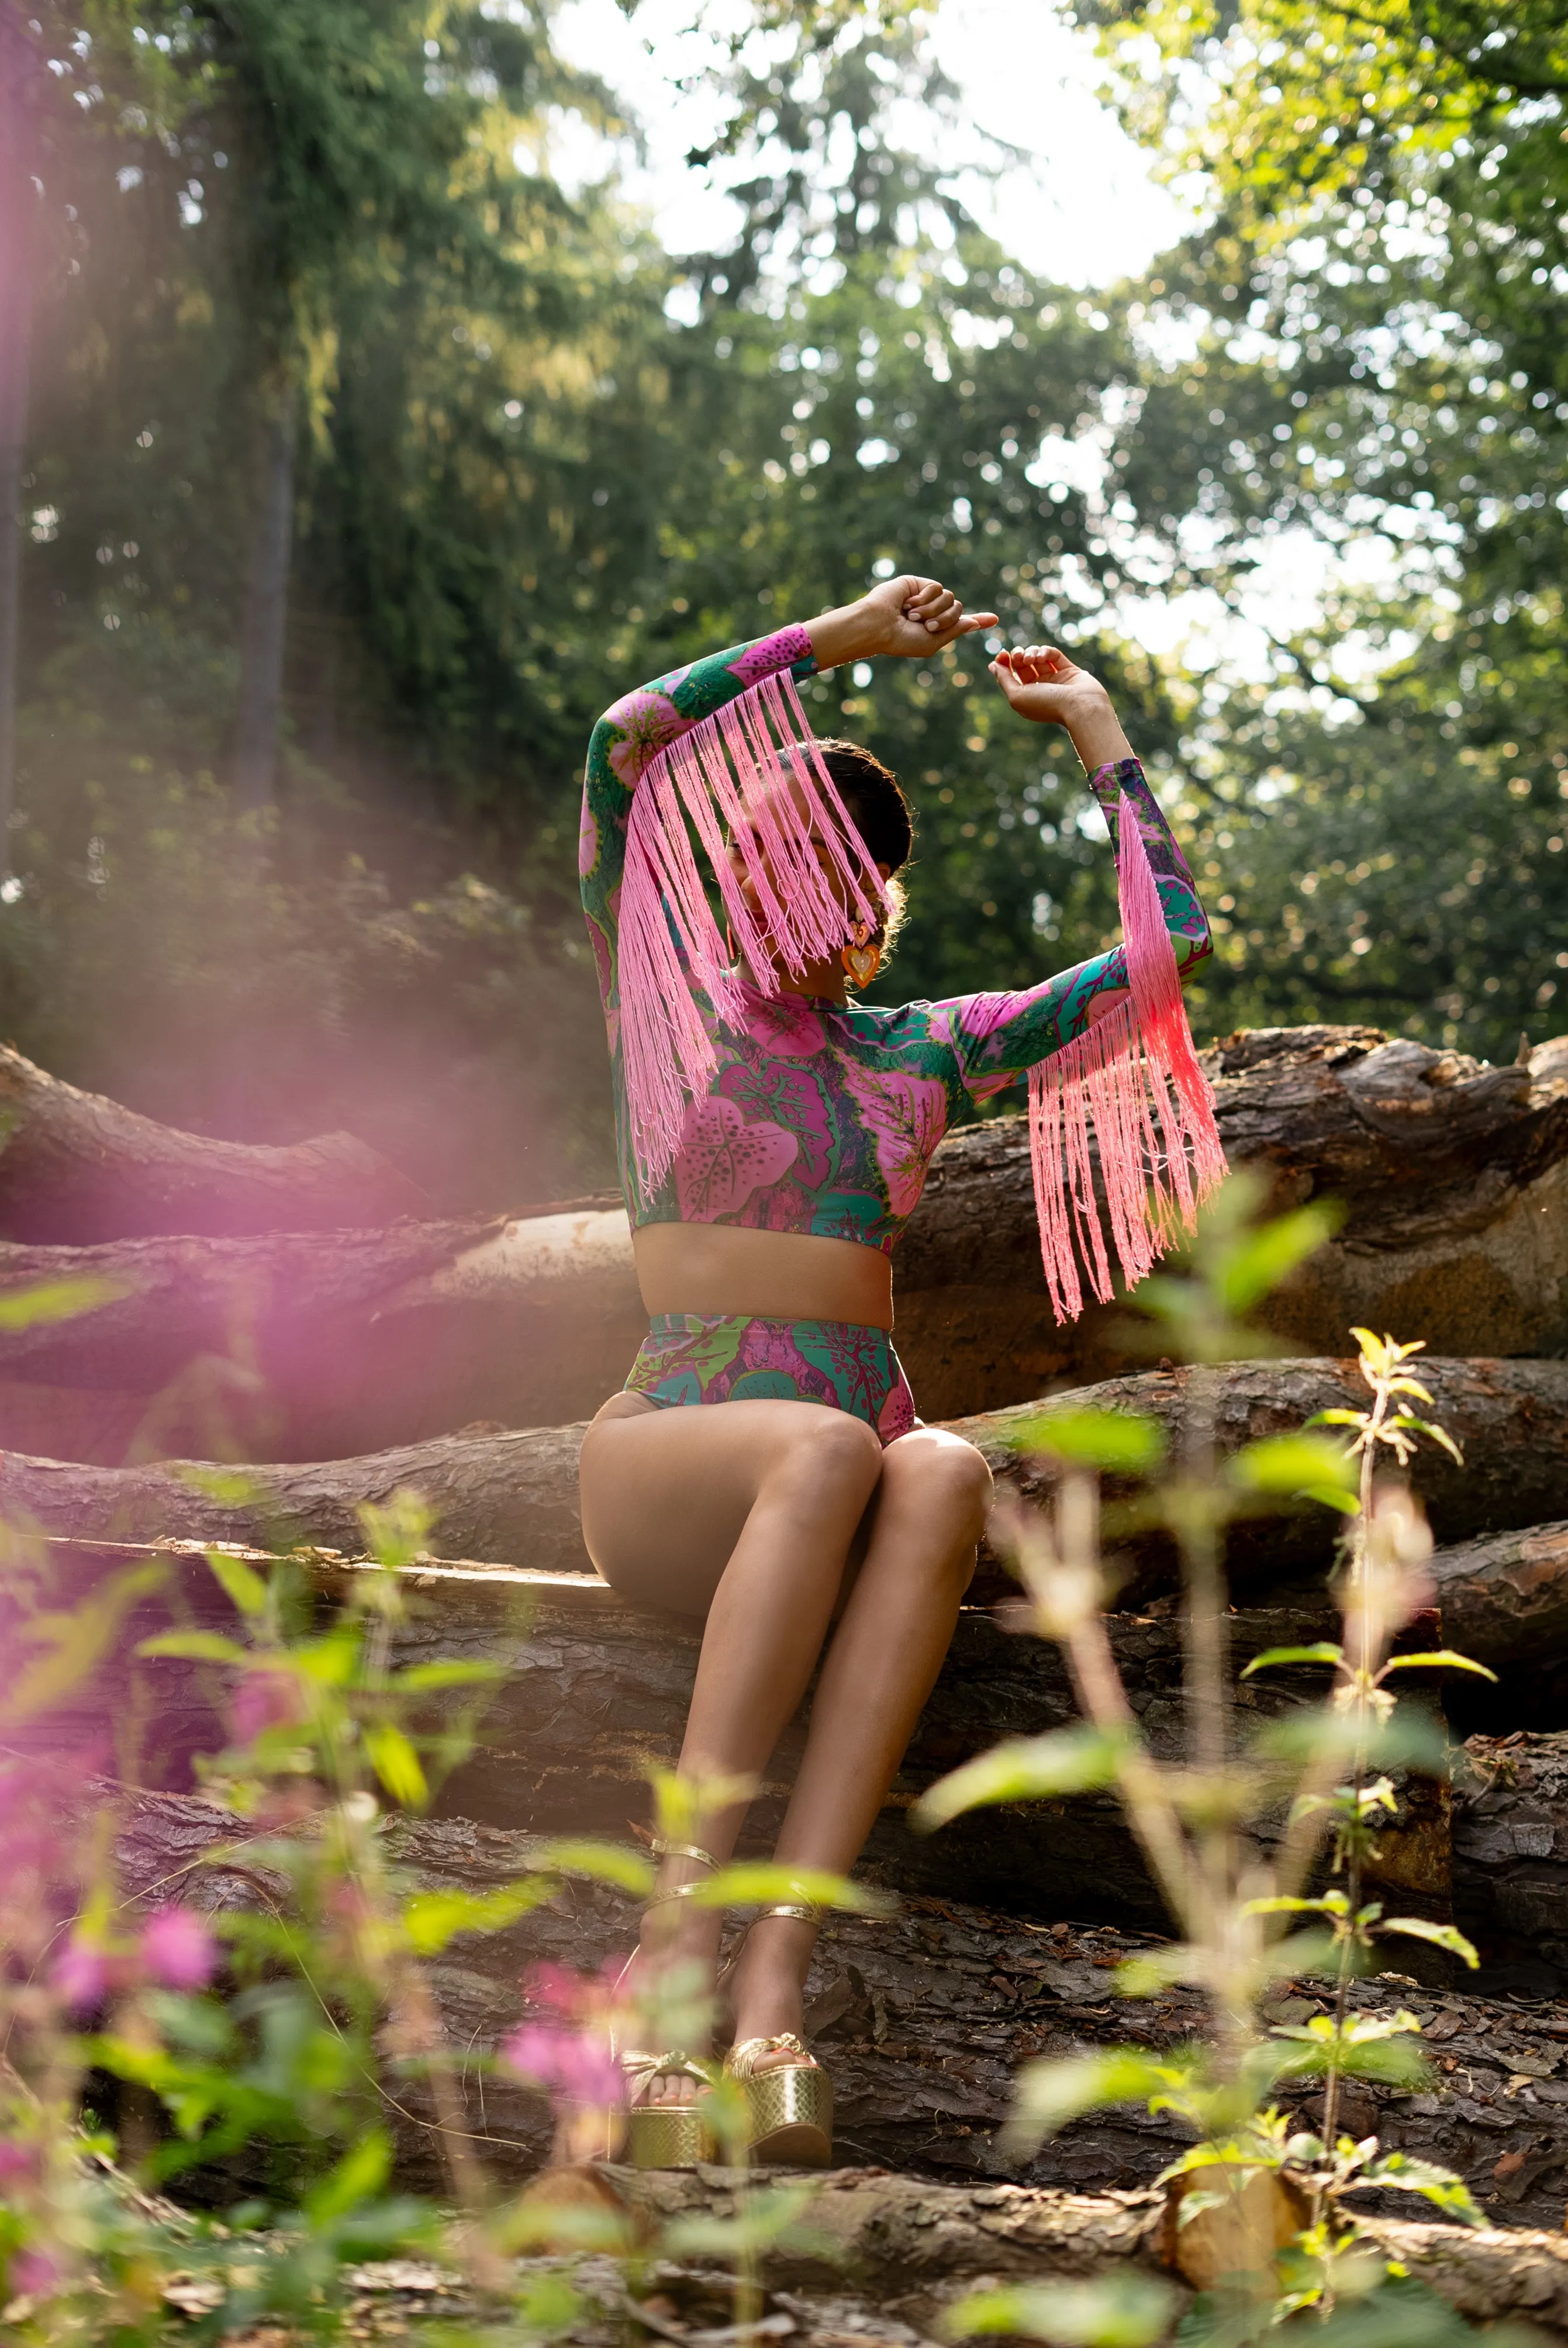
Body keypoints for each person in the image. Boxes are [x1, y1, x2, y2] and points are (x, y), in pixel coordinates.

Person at [576, 573, 1212, 2164]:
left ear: (874, 901)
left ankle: (777, 1959)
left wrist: (1099, 733)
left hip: (851, 1465)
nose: (813, 870)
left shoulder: (920, 1053)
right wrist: (839, 639)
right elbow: (621, 744)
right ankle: (672, 1941)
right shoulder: (660, 1014)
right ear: (737, 870)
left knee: (941, 1464)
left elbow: (1168, 950)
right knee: (825, 1449)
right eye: (787, 842)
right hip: (672, 1449)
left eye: (848, 856)